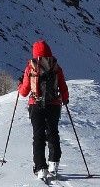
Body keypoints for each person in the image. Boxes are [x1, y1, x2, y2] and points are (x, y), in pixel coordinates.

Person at [18, 39, 69, 177]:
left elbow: (24, 92)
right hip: (54, 105)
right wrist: (64, 99)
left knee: (38, 136)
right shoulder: (56, 67)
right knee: (53, 133)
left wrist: (19, 86)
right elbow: (63, 86)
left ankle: (40, 168)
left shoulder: (31, 68)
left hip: (36, 105)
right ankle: (54, 164)